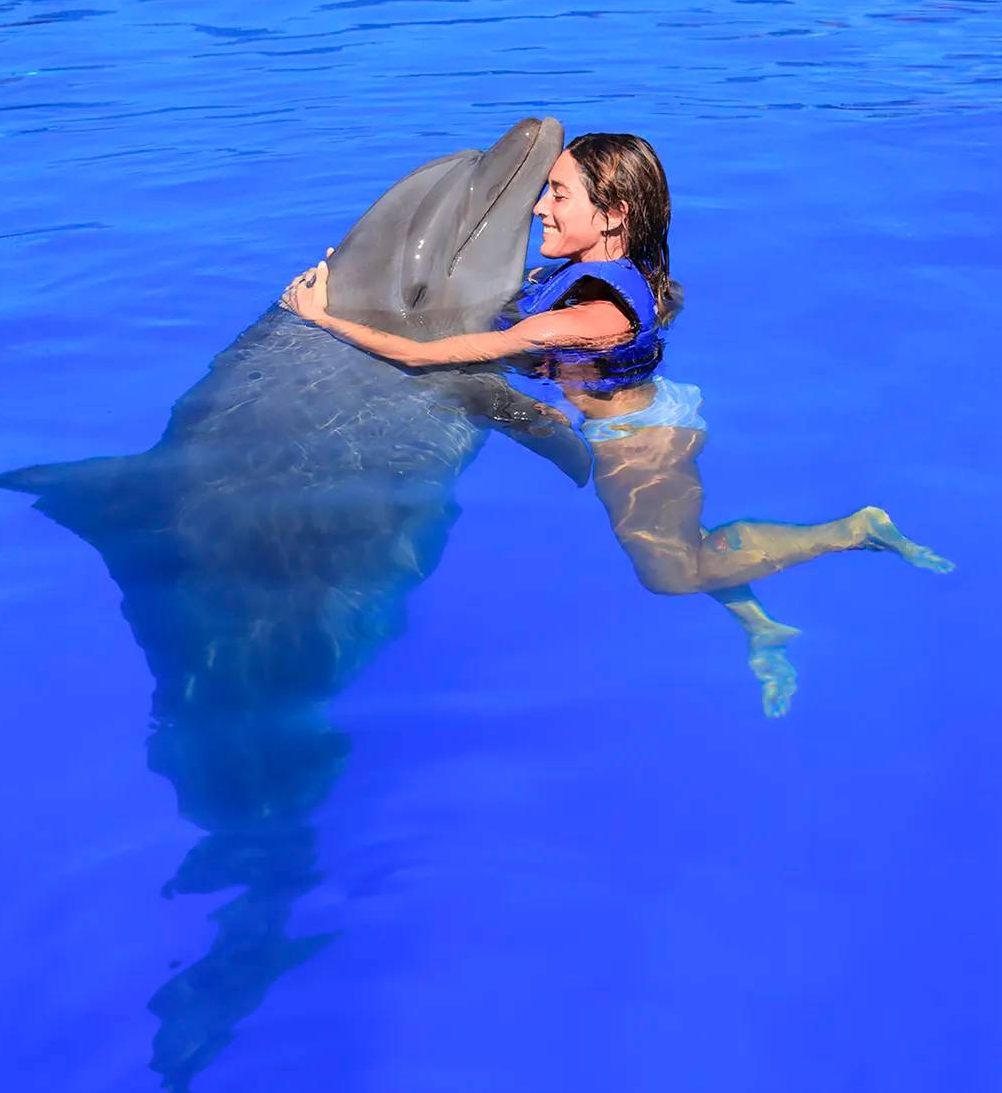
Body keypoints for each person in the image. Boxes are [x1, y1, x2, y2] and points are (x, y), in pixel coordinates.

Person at [282, 133, 952, 716]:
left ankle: (852, 530)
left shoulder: (584, 315)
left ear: (613, 215)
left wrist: (320, 317)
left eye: (559, 195)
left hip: (638, 444)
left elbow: (422, 356)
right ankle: (758, 623)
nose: (540, 206)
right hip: (644, 424)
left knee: (669, 573)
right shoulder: (587, 274)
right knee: (678, 546)